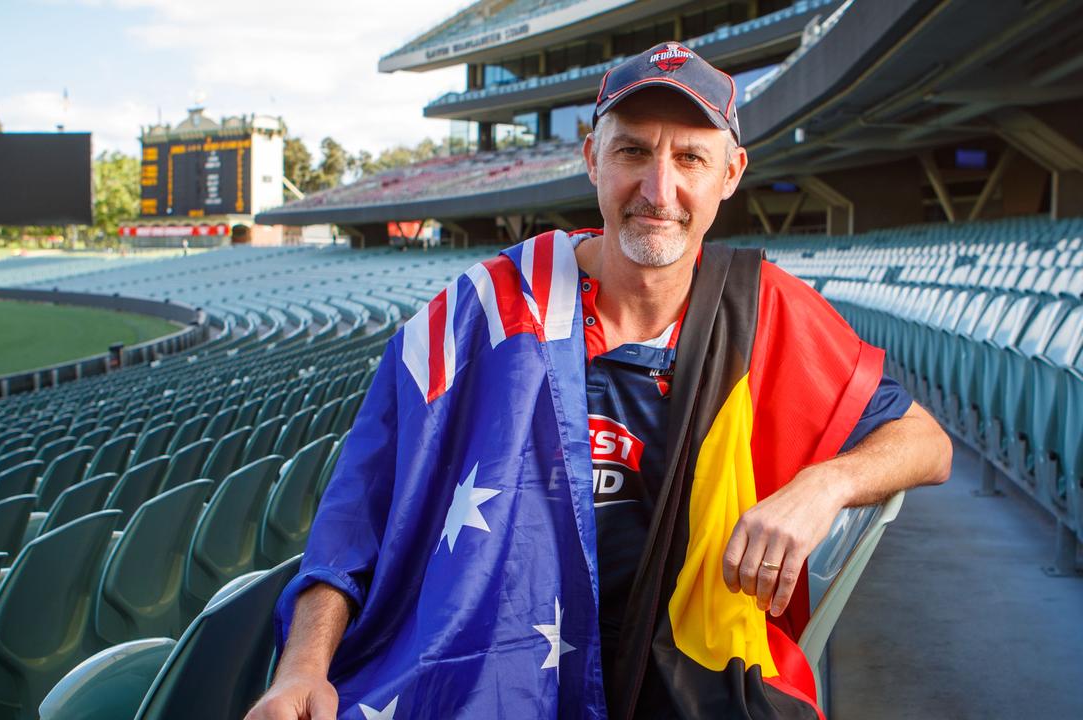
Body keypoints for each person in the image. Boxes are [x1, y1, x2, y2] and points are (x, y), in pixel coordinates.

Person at [248, 42, 952, 720]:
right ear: (592, 159)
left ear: (730, 174)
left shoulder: (763, 306)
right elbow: (358, 509)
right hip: (494, 662)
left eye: (690, 159)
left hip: (692, 674)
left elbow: (927, 442)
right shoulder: (487, 307)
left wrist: (821, 486)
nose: (658, 189)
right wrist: (304, 666)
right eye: (633, 152)